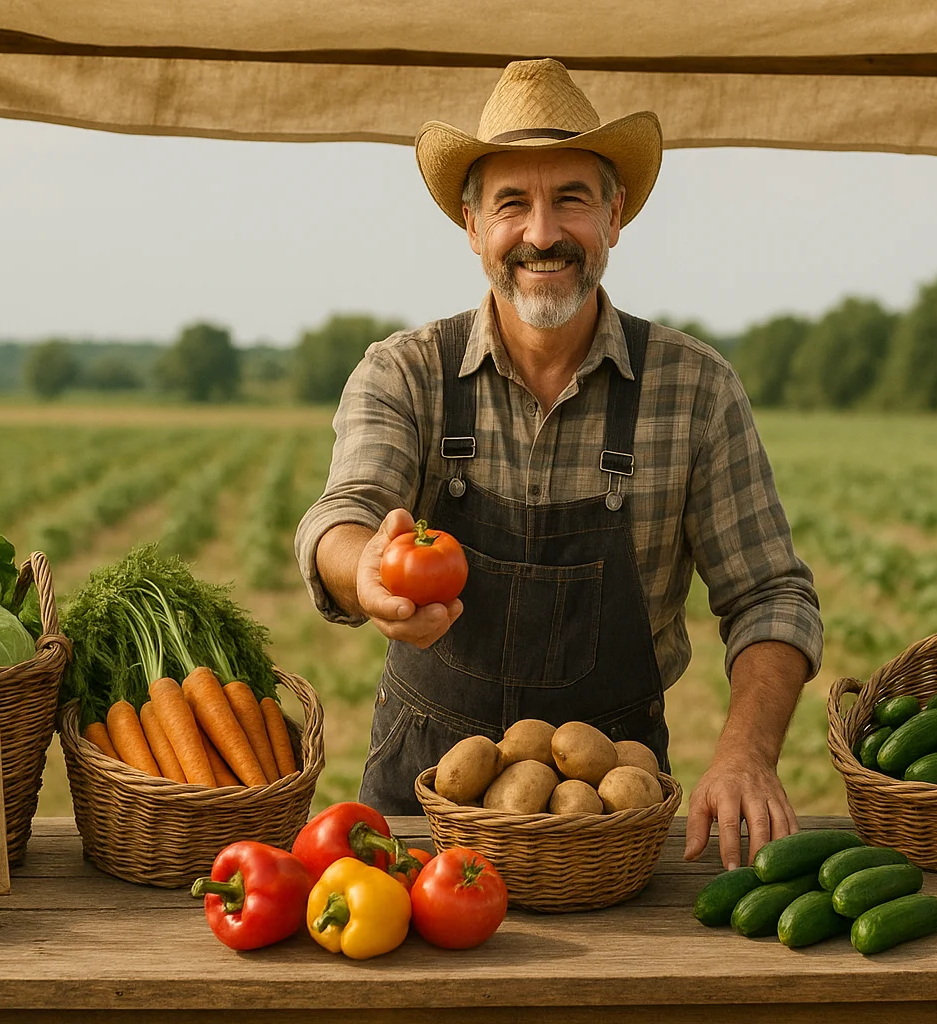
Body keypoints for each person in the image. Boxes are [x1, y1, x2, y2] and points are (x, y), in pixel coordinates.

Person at [296, 59, 822, 869]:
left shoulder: (694, 389)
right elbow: (346, 512)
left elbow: (771, 596)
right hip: (422, 812)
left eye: (570, 198)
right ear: (474, 230)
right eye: (512, 203)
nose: (542, 232)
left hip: (609, 807)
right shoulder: (404, 372)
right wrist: (363, 565)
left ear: (614, 216)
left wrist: (747, 753)